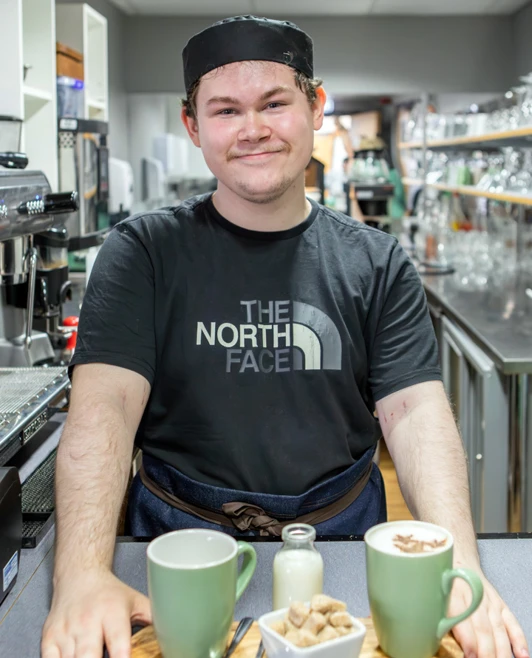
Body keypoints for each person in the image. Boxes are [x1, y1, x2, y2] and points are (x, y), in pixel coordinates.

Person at [42, 16, 528, 658]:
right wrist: (80, 577)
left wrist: (459, 566)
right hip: (176, 555)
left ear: (315, 107)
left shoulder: (377, 262)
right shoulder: (143, 254)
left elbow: (414, 413)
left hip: (342, 549)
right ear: (193, 126)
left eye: (275, 102)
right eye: (225, 110)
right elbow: (103, 409)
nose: (253, 129)